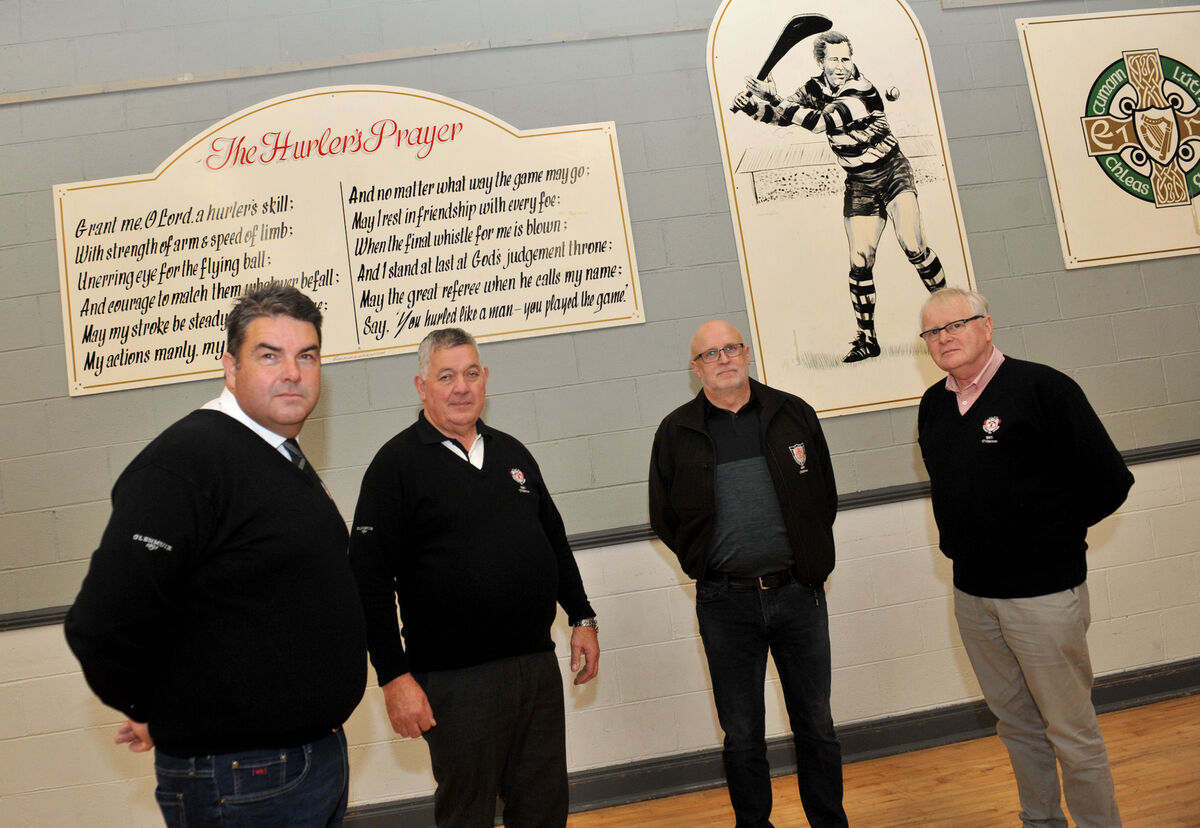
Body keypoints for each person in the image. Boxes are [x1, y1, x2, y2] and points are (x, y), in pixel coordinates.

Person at [64, 284, 367, 827]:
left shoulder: (278, 453)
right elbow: (102, 620)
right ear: (230, 367)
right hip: (245, 778)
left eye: (307, 356)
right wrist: (148, 706)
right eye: (269, 356)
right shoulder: (188, 460)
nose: (292, 373)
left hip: (304, 762)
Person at [349, 327, 599, 828]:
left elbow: (553, 541)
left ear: (485, 378)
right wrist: (394, 677)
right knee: (468, 813)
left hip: (534, 668)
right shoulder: (395, 466)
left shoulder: (512, 454)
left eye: (470, 374)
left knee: (544, 808)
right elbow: (368, 581)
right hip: (454, 682)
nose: (461, 387)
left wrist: (582, 615)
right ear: (422, 386)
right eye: (446, 377)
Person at [917, 287, 1132, 828]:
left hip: (1043, 595)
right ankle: (1041, 820)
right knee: (1015, 726)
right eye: (933, 331)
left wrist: (1047, 538)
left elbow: (1110, 481)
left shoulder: (1044, 388)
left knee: (1071, 731)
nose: (944, 338)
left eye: (956, 324)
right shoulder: (934, 404)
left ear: (987, 326)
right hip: (973, 597)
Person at [648, 319, 848, 828]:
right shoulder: (676, 432)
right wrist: (705, 565)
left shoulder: (792, 413)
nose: (723, 359)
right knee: (741, 734)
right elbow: (664, 518)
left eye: (730, 348)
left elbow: (823, 496)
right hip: (726, 603)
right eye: (709, 354)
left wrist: (807, 561)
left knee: (817, 725)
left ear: (747, 353)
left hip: (799, 594)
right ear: (695, 369)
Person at [733, 30, 946, 363]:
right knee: (860, 261)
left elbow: (820, 123)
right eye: (834, 59)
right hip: (859, 181)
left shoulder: (860, 90)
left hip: (892, 172)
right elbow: (785, 118)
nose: (842, 66)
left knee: (913, 245)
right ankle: (868, 340)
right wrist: (753, 107)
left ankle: (951, 313)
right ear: (821, 62)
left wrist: (775, 98)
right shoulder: (814, 88)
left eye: (846, 58)